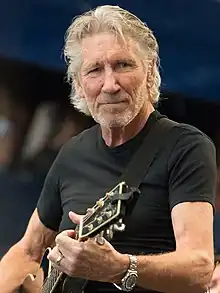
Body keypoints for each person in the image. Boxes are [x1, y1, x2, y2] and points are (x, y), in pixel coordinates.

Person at [0, 5, 217, 293]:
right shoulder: (73, 153)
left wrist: (120, 267)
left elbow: (199, 268)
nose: (110, 85)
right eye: (94, 70)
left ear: (150, 71)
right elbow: (27, 251)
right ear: (78, 84)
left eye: (123, 65)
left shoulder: (186, 147)